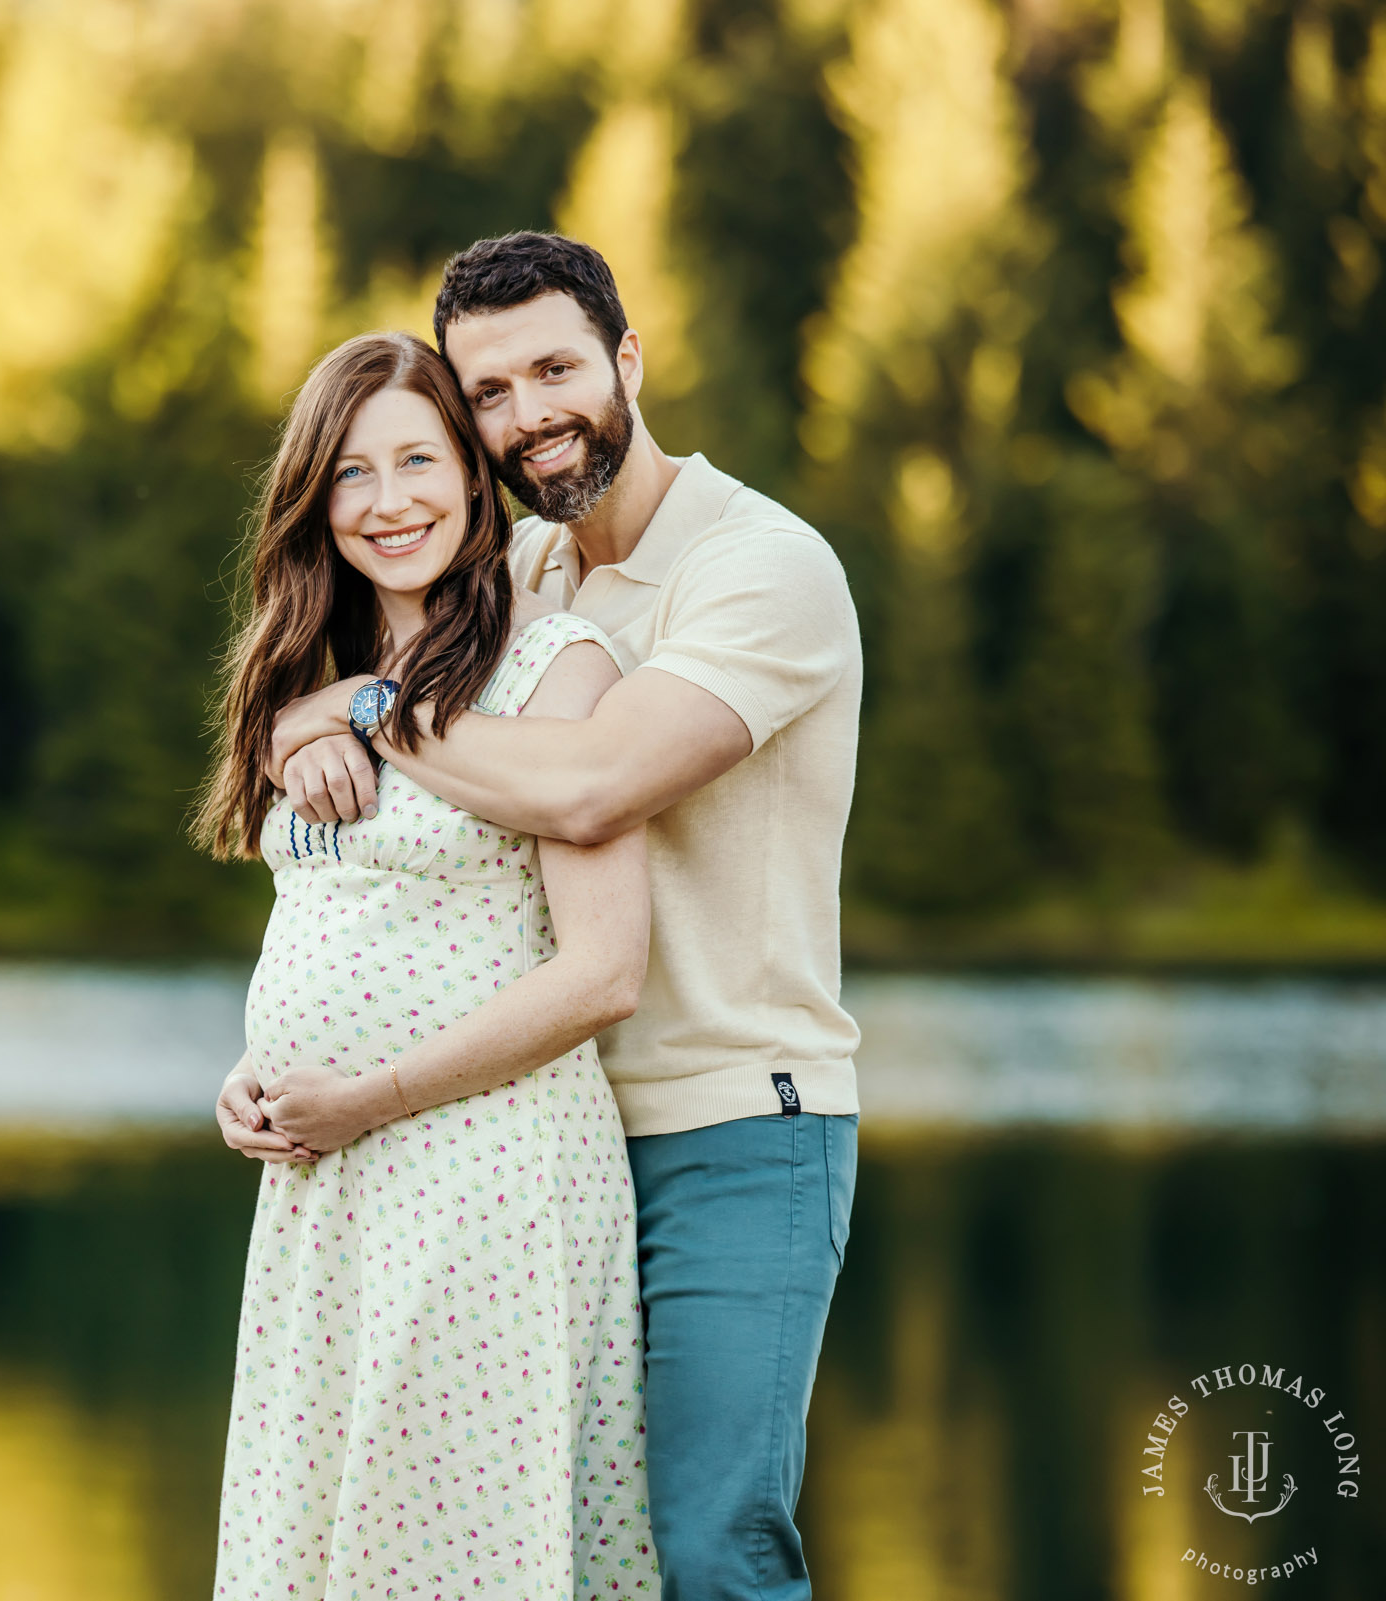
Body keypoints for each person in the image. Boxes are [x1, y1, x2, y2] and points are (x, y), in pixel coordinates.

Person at [263, 233, 863, 1601]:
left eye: (555, 369)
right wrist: (314, 721)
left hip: (734, 1123)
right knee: (573, 1546)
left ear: (626, 362)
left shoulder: (759, 566)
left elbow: (591, 787)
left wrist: (357, 709)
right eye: (491, 392)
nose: (529, 413)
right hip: (540, 1136)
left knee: (715, 1541)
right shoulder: (524, 575)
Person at [202, 329, 660, 1598]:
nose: (388, 500)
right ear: (314, 496)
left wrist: (373, 1094)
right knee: (324, 1551)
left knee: (453, 1552)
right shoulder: (321, 678)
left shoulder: (551, 668)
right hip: (323, 1192)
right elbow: (346, 920)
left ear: (474, 476)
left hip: (479, 1175)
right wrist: (256, 1072)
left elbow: (603, 972)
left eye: (418, 460)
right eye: (351, 472)